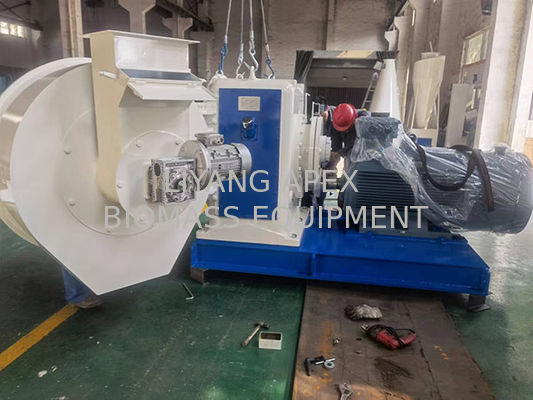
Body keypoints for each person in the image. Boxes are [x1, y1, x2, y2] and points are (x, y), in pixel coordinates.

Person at [322, 103, 359, 171]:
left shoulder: (362, 121)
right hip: (336, 126)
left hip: (353, 134)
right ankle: (330, 169)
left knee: (350, 156)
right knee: (333, 150)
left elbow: (353, 143)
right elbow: (327, 109)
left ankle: (348, 172)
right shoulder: (336, 113)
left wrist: (340, 153)